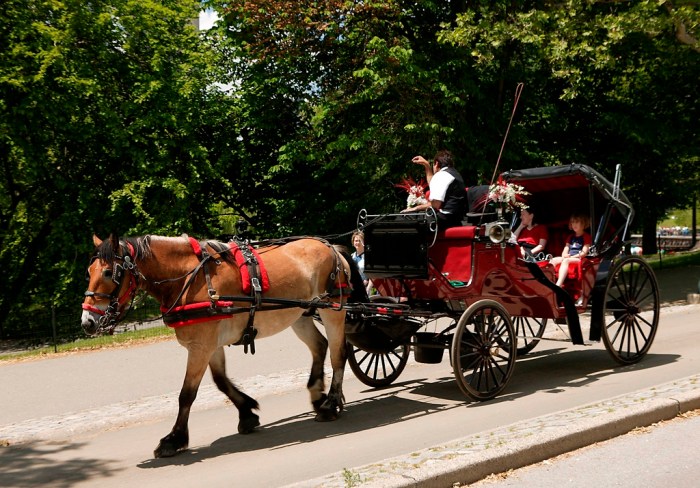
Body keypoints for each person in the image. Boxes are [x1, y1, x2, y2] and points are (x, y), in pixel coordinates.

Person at [401, 149, 468, 229]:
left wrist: (415, 208)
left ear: (436, 163)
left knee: (405, 220)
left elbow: (435, 205)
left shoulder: (442, 175)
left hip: (445, 219)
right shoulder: (453, 174)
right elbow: (433, 185)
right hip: (455, 218)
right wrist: (427, 165)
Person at [550, 213, 592, 287]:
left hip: (580, 258)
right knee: (553, 260)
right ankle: (549, 281)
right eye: (572, 222)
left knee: (566, 261)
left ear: (584, 223)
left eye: (577, 222)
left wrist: (571, 257)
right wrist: (564, 255)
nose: (574, 224)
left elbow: (584, 252)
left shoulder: (586, 236)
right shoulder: (570, 236)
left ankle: (558, 284)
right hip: (569, 257)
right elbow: (566, 248)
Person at [351, 230, 372, 295]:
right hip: (353, 288)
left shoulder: (369, 257)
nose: (357, 242)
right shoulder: (351, 256)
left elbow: (373, 275)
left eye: (360, 241)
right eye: (356, 241)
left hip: (365, 288)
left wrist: (368, 288)